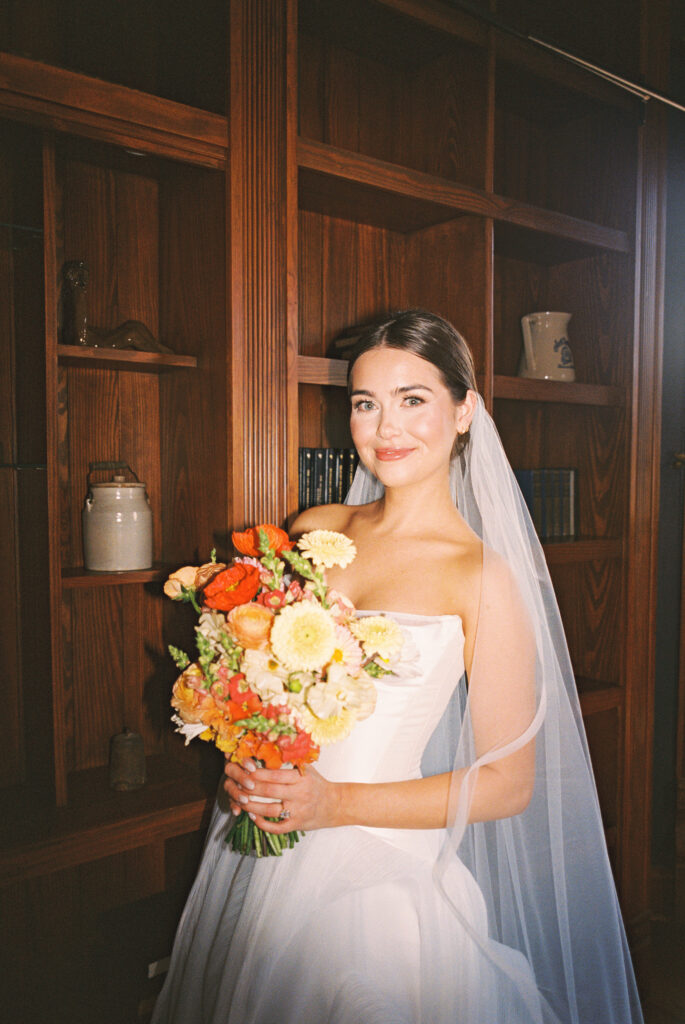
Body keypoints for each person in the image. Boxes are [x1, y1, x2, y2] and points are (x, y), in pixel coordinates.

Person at [152, 310, 643, 1024]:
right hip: (267, 852)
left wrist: (334, 806)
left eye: (412, 399)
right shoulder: (316, 530)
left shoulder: (482, 578)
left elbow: (507, 786)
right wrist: (248, 755)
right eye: (364, 403)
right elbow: (267, 689)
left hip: (376, 873)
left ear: (464, 410)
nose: (387, 428)